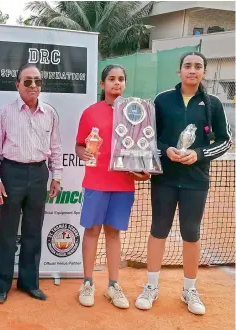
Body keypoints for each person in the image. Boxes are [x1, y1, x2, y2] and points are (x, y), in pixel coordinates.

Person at [135, 52, 232, 315]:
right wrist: (165, 151)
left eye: (198, 66)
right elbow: (148, 137)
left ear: (204, 72)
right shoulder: (162, 100)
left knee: (191, 233)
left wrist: (197, 155)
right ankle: (151, 286)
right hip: (164, 178)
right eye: (187, 66)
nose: (192, 70)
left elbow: (224, 141)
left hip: (196, 180)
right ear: (179, 72)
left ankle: (189, 289)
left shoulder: (213, 104)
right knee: (158, 230)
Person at [0, 63, 63, 304]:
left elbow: (56, 148)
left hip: (39, 174)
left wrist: (57, 176)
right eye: (27, 81)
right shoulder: (5, 113)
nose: (33, 85)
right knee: (8, 232)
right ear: (17, 84)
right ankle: (2, 285)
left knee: (33, 231)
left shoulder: (50, 113)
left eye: (37, 81)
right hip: (11, 174)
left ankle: (29, 283)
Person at [76, 65, 150, 308]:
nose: (116, 83)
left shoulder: (136, 113)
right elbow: (79, 145)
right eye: (111, 79)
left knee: (113, 233)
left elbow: (142, 147)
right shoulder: (90, 113)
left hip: (123, 184)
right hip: (96, 182)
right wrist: (84, 153)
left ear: (125, 84)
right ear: (102, 84)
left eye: (120, 79)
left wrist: (143, 169)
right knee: (92, 231)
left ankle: (113, 285)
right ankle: (87, 282)